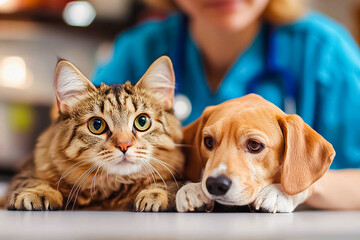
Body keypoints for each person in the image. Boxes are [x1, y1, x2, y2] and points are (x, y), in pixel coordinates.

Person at [92, 0, 360, 210]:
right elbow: (72, 135)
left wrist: (303, 186)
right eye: (209, 143)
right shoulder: (138, 49)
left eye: (254, 145)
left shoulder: (324, 52)